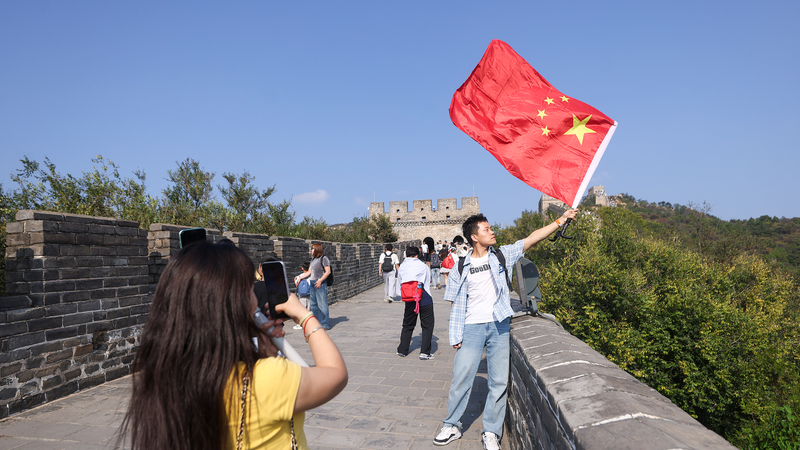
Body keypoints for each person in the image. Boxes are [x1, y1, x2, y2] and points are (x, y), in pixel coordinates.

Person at [121, 240, 347, 450]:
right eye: (248, 287)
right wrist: (304, 315)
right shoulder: (266, 379)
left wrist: (263, 350)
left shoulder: (166, 378)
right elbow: (335, 374)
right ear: (234, 301)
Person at [434, 210, 578, 450]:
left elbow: (533, 238)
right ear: (474, 237)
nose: (492, 232)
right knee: (461, 378)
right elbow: (455, 302)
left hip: (499, 325)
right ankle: (452, 425)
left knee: (498, 382)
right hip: (471, 326)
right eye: (487, 229)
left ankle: (491, 432)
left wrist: (560, 221)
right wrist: (455, 333)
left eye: (491, 228)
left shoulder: (502, 255)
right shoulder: (460, 266)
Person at [396, 246, 435, 360]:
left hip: (409, 299)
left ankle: (402, 350)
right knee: (427, 326)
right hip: (424, 297)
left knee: (407, 325)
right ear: (417, 255)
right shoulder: (423, 266)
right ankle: (425, 352)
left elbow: (400, 283)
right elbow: (427, 282)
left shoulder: (402, 267)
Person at [296, 243, 332, 330]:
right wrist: (300, 278)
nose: (311, 250)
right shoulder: (313, 259)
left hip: (320, 283)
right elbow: (309, 272)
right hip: (312, 283)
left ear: (317, 249)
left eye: (312, 249)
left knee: (322, 304)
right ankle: (317, 322)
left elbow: (328, 271)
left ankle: (325, 323)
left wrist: (320, 281)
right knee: (313, 304)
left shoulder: (324, 258)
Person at [293, 261, 311, 330]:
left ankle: (299, 325)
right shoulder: (311, 275)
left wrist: (295, 279)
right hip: (309, 294)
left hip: (302, 295)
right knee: (309, 309)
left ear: (302, 268)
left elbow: (297, 285)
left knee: (301, 310)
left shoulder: (300, 276)